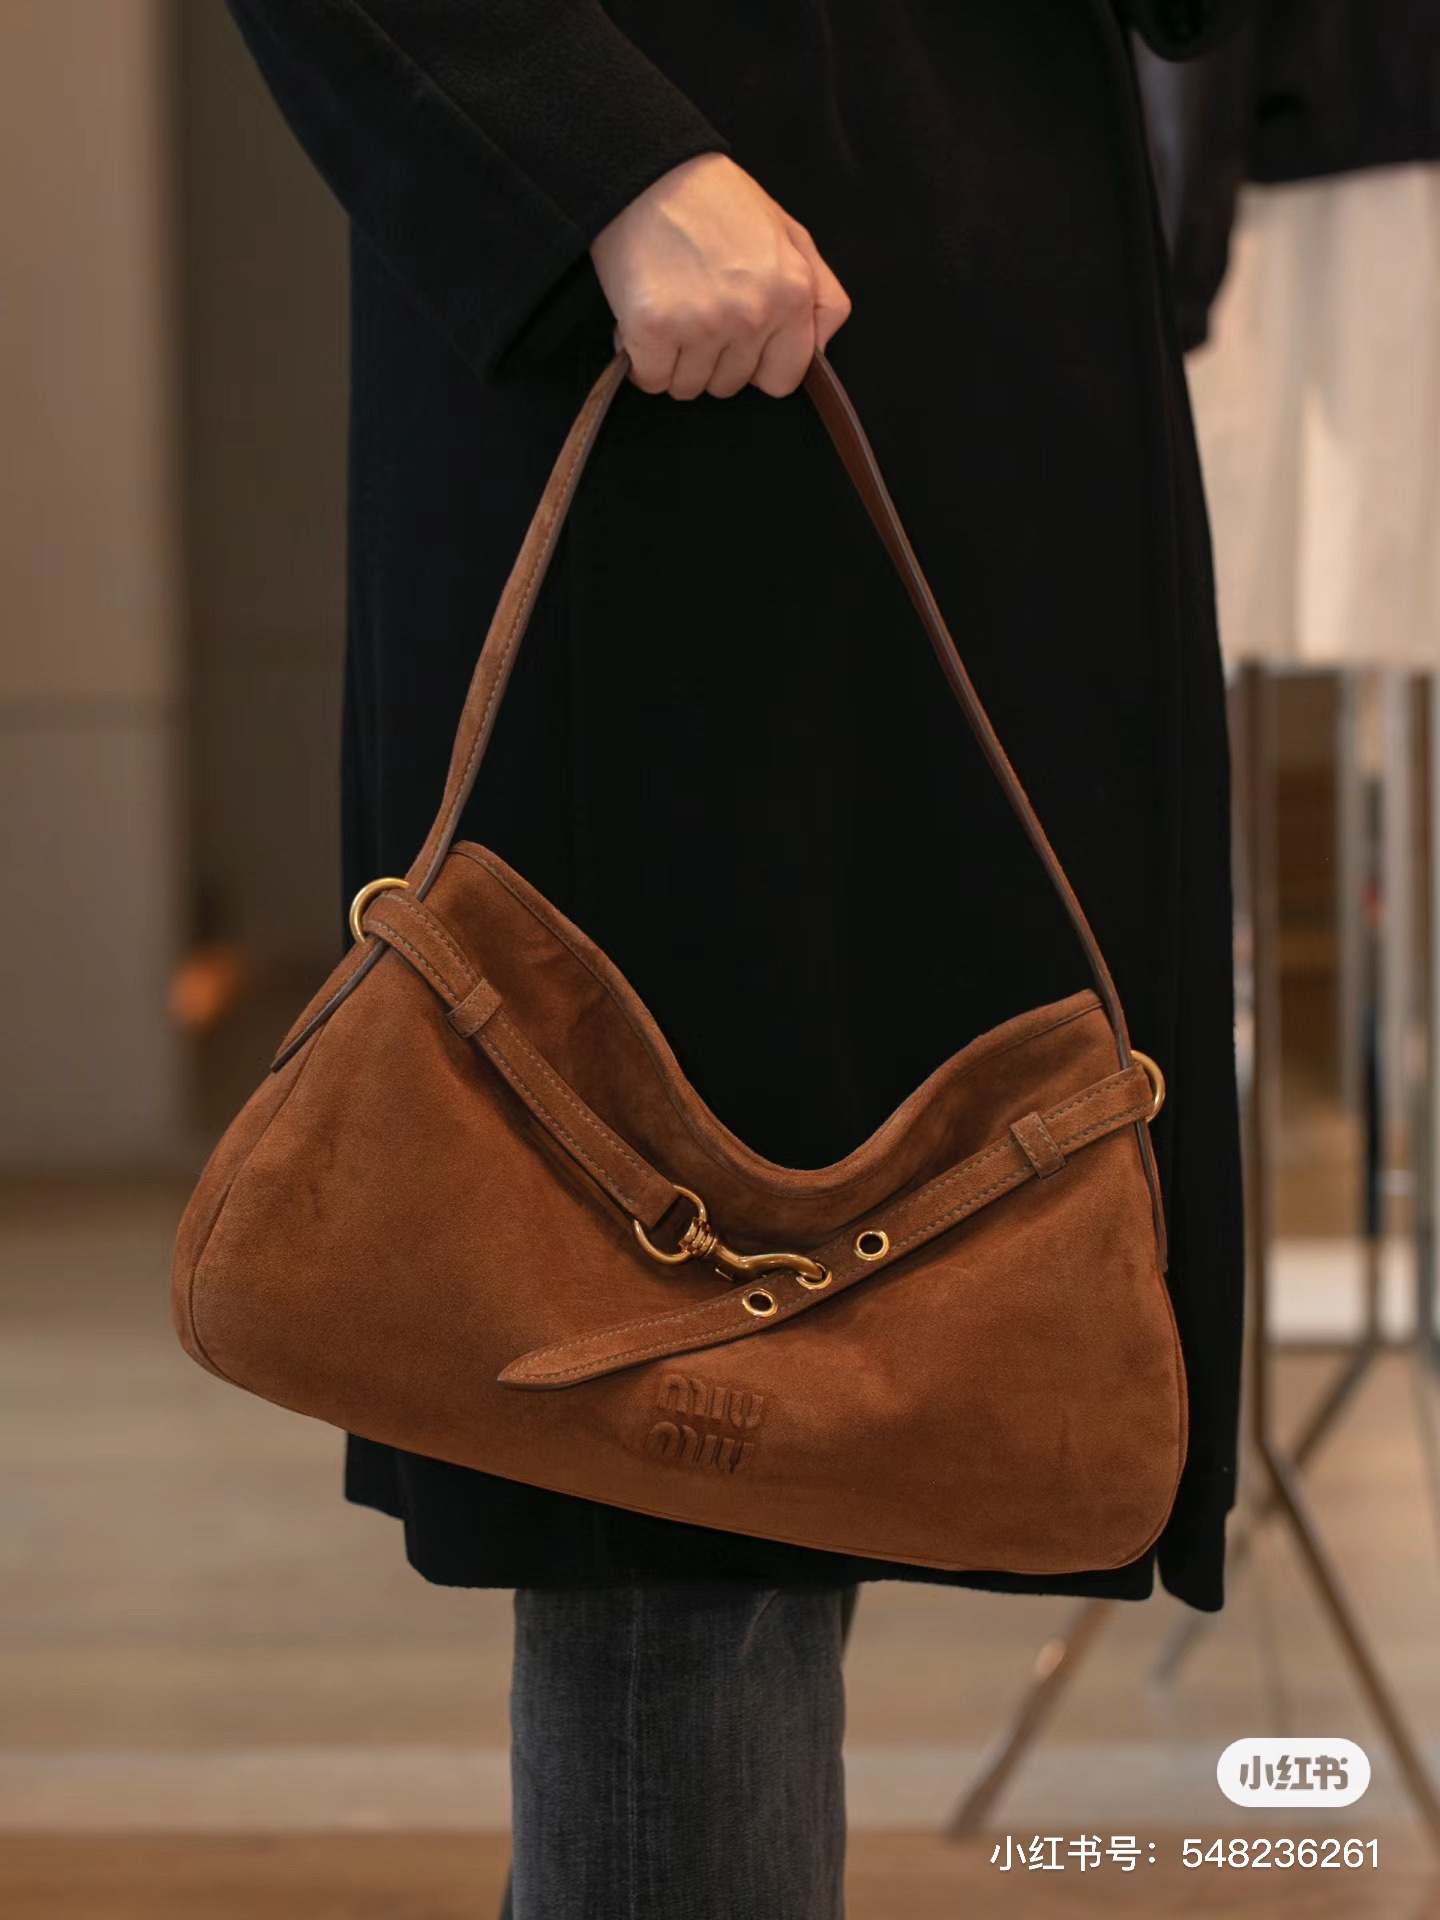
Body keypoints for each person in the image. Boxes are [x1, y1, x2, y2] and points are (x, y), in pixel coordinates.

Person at [221, 4, 1249, 1914]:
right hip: (660, 321)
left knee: (848, 1395)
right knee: (660, 1439)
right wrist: (596, 158)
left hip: (1003, 339)